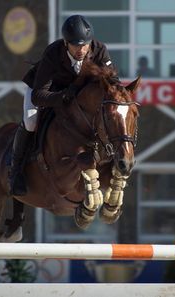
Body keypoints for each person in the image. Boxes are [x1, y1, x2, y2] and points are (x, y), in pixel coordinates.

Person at [9, 15, 117, 196]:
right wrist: (63, 97)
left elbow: (112, 83)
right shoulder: (53, 54)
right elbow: (38, 95)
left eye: (85, 44)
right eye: (76, 45)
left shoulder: (99, 50)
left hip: (77, 96)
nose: (81, 49)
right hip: (47, 92)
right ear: (66, 43)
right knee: (30, 121)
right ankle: (16, 170)